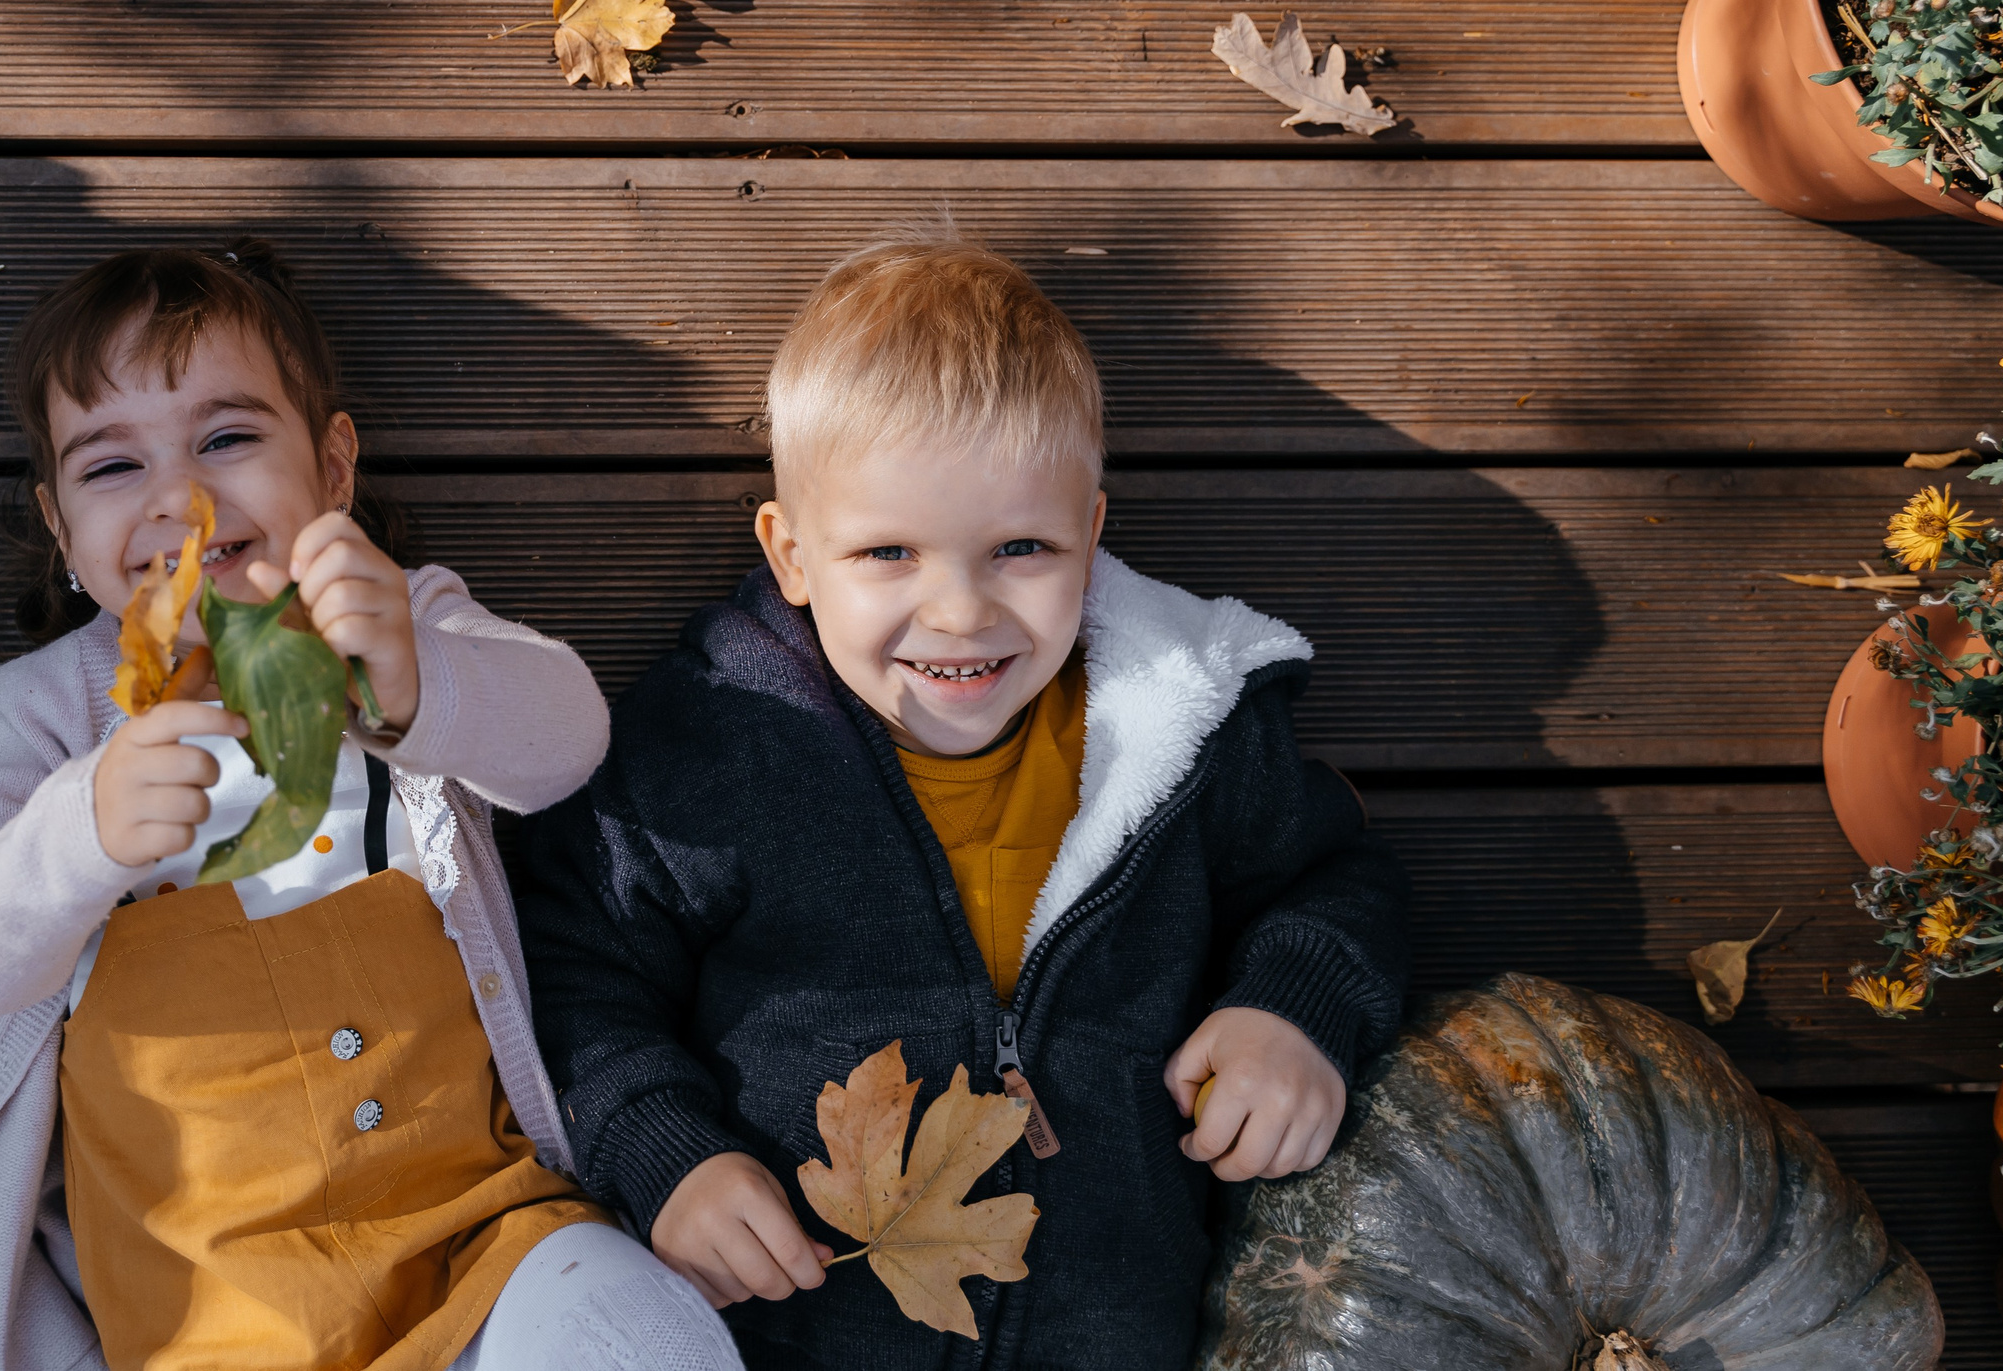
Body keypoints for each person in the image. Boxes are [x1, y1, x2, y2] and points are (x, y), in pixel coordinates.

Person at [518, 234, 1410, 1368]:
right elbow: (571, 967)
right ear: (792, 557)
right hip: (802, 1329)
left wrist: (1294, 1010)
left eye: (1018, 549)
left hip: (1115, 1332)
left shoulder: (1174, 731)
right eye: (888, 553)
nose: (957, 613)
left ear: (1090, 537)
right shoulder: (709, 754)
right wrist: (666, 1153)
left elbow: (1337, 880)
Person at [0, 241, 739, 1371]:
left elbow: (566, 742)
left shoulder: (396, 620)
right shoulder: (54, 712)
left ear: (333, 469)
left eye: (228, 439)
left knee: (641, 1336)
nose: (179, 498)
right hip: (210, 1300)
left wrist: (415, 686)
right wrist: (79, 836)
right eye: (113, 469)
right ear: (60, 529)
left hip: (476, 1233)